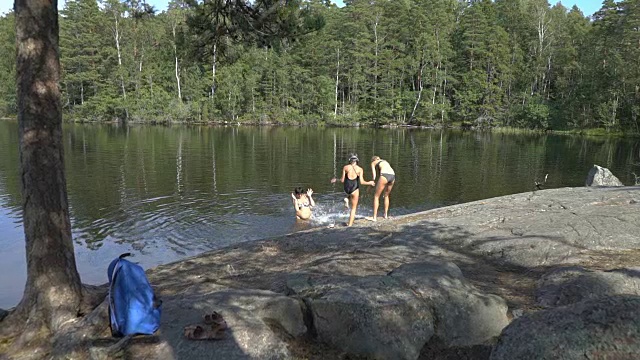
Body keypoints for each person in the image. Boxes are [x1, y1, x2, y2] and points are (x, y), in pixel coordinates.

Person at [331, 154, 374, 226]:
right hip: (354, 188)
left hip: (346, 188)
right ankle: (350, 225)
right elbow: (362, 182)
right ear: (357, 161)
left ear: (350, 160)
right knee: (353, 208)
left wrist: (336, 180)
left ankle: (347, 199)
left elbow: (342, 180)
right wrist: (370, 182)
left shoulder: (345, 167)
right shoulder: (360, 169)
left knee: (349, 195)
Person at [367, 156, 396, 221]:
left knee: (376, 196)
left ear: (373, 160)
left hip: (385, 175)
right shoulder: (385, 161)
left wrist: (370, 186)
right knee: (386, 195)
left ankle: (374, 217)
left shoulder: (373, 163)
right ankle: (385, 215)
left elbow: (374, 177)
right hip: (393, 176)